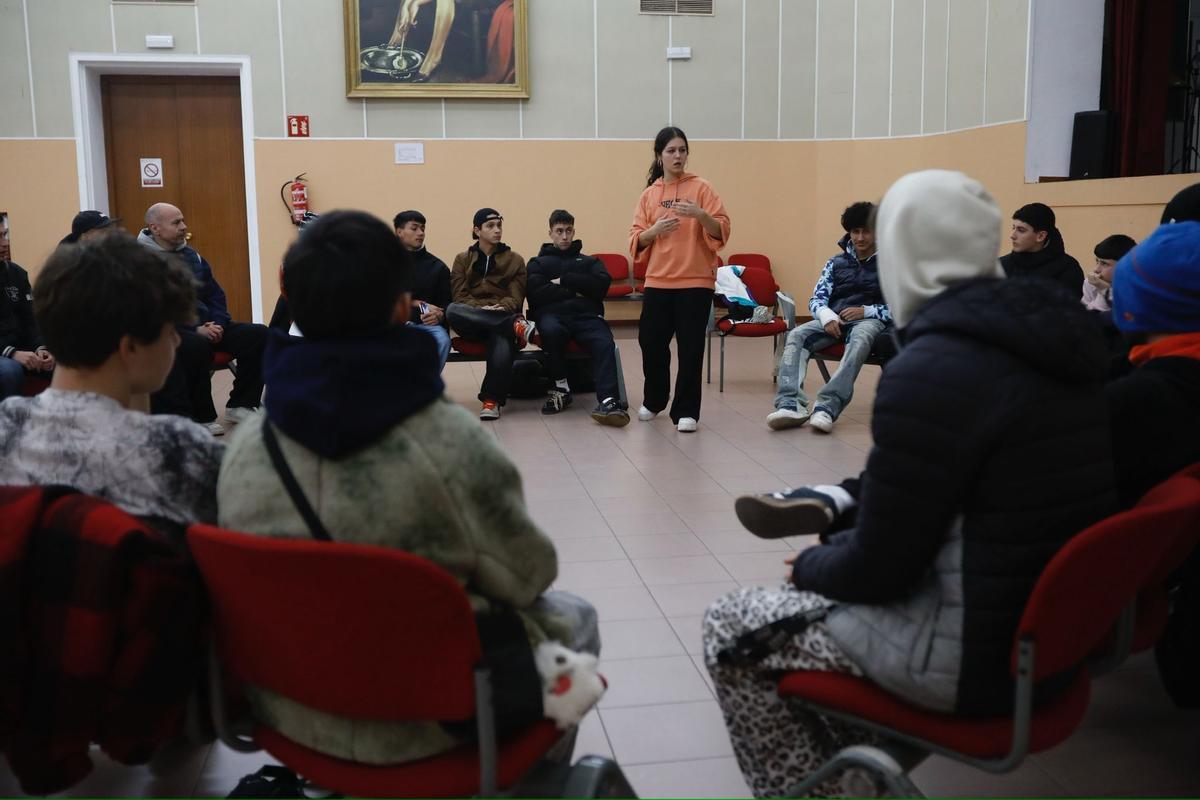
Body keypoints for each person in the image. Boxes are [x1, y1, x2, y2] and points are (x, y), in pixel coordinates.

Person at [703, 170, 1116, 797]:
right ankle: (859, 773)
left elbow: (882, 569)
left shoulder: (936, 367)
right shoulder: (1063, 341)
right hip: (1053, 648)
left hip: (968, 656)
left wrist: (810, 566)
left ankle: (820, 793)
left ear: (904, 254)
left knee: (730, 624)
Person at [218, 209, 598, 765]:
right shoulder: (451, 443)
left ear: (290, 303)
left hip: (293, 718)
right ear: (403, 308)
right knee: (575, 615)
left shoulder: (243, 453)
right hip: (428, 726)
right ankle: (523, 775)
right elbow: (529, 573)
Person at [0, 232, 221, 537]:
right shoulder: (181, 451)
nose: (177, 340)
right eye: (171, 330)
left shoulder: (6, 426)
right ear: (130, 348)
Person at [630, 126, 730, 433]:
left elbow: (722, 229)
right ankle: (654, 399)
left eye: (682, 150)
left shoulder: (702, 188)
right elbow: (636, 238)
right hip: (659, 282)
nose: (678, 156)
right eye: (671, 151)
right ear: (659, 156)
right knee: (650, 342)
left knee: (690, 348)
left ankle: (686, 411)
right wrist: (654, 231)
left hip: (695, 281)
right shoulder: (650, 194)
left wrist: (700, 215)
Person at [139, 203, 268, 436]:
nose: (184, 227)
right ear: (155, 228)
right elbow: (150, 309)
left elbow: (215, 295)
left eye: (183, 220)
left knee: (258, 334)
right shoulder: (138, 263)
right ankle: (201, 417)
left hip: (207, 326)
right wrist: (195, 329)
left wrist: (218, 322)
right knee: (194, 345)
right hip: (169, 332)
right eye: (176, 222)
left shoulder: (193, 257)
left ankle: (240, 404)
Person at [767, 202, 891, 434]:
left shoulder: (891, 265)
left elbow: (901, 306)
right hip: (834, 321)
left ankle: (827, 407)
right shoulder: (835, 263)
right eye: (855, 231)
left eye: (866, 231)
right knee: (797, 335)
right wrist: (826, 317)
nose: (861, 237)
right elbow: (816, 299)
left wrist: (867, 311)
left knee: (861, 337)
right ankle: (790, 405)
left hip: (869, 321)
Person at [526, 209, 629, 426]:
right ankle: (561, 388)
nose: (564, 236)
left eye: (569, 231)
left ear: (574, 232)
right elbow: (536, 293)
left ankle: (609, 400)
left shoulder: (590, 261)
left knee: (604, 341)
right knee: (551, 332)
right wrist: (579, 289)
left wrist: (563, 280)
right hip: (552, 316)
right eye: (559, 231)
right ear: (550, 233)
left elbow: (600, 287)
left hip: (587, 317)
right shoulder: (537, 263)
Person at [447, 208, 531, 420]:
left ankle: (491, 401)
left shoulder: (515, 260)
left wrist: (499, 309)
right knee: (452, 310)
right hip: (472, 320)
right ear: (477, 230)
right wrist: (480, 310)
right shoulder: (462, 259)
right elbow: (459, 297)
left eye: (499, 226)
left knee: (501, 338)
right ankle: (513, 324)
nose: (497, 231)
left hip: (501, 315)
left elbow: (515, 298)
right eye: (491, 226)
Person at [0, 212, 54, 399]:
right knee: (9, 372)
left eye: (5, 234)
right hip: (6, 354)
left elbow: (30, 320)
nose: (5, 242)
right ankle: (9, 427)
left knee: (68, 364)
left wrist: (41, 348)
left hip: (21, 349)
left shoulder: (16, 274)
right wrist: (12, 353)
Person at [394, 209, 451, 369]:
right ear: (399, 232)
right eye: (414, 228)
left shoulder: (437, 267)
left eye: (423, 229)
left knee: (442, 340)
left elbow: (447, 303)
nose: (420, 233)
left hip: (426, 327)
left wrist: (440, 316)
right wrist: (419, 304)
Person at [1000, 202, 1083, 298]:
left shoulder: (1067, 269)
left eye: (1021, 230)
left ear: (1041, 236)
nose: (1012, 236)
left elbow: (1069, 309)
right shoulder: (1001, 266)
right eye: (1013, 228)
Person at [1083, 234, 1136, 313]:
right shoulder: (1091, 283)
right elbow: (1083, 317)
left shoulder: (1137, 288)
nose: (1096, 270)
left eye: (1104, 264)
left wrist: (1104, 291)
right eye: (1097, 261)